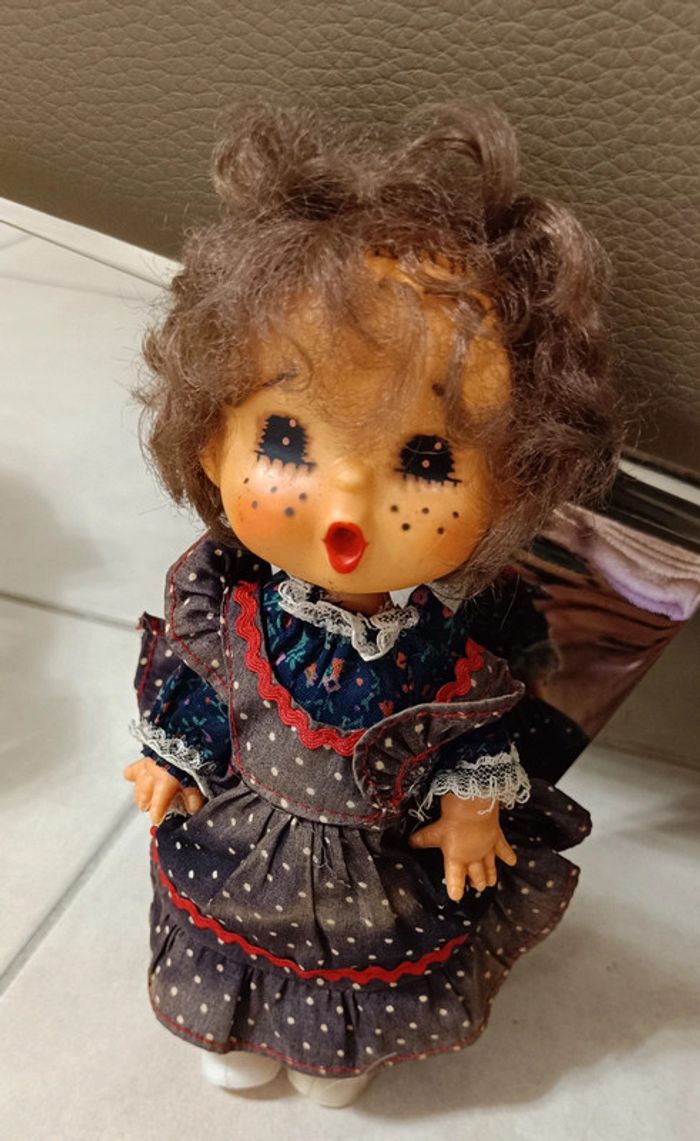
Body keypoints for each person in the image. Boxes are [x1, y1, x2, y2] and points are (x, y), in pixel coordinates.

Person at [124, 104, 620, 1107]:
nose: (346, 501)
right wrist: (171, 756)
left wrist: (472, 809)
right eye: (287, 441)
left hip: (372, 866)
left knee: (352, 974)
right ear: (212, 441)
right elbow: (207, 689)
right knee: (227, 934)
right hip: (245, 843)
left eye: (426, 458)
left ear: (509, 489)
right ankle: (241, 1023)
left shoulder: (442, 648)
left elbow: (471, 727)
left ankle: (330, 1051)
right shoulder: (231, 611)